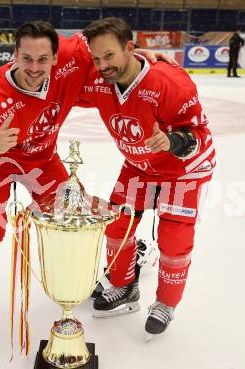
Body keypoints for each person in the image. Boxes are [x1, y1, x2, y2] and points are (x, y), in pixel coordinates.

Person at [0, 20, 174, 346]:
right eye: (26, 59)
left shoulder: (74, 56)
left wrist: (139, 65)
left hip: (41, 161)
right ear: (14, 55)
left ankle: (80, 279)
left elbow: (112, 55)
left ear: (56, 58)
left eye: (43, 60)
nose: (34, 68)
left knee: (75, 214)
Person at [80, 17, 216, 338]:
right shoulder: (98, 78)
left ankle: (166, 304)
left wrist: (172, 142)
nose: (102, 65)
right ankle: (125, 286)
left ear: (129, 48)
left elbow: (197, 130)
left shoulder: (170, 82)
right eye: (96, 59)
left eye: (109, 56)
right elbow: (60, 79)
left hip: (184, 167)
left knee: (174, 237)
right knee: (117, 222)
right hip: (139, 165)